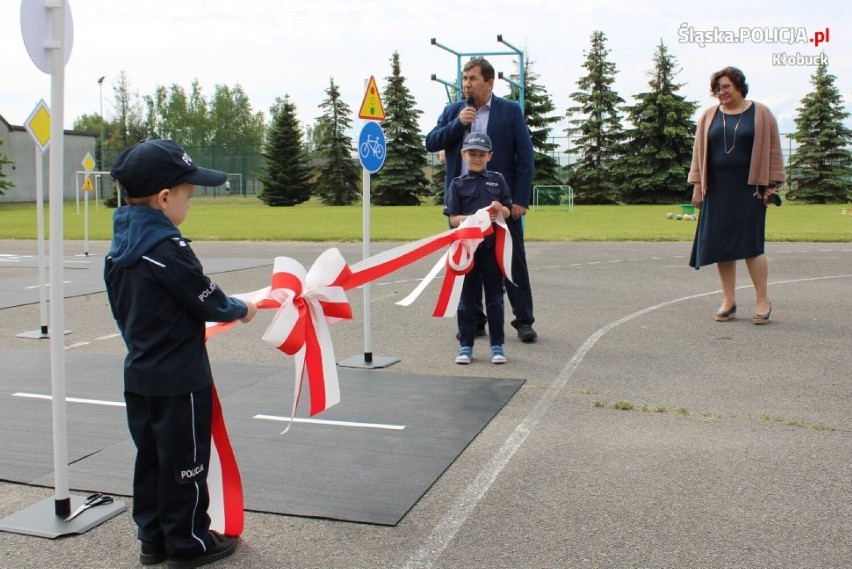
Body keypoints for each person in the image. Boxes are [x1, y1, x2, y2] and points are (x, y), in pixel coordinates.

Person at [104, 139, 257, 568]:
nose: (190, 204)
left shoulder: (120, 248)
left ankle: (153, 538)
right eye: (188, 195)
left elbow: (121, 311)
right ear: (165, 197)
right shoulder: (167, 249)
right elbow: (206, 297)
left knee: (151, 458)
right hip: (180, 379)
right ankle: (188, 542)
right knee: (186, 462)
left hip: (140, 371)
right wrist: (242, 309)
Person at [426, 57, 538, 342]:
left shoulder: (510, 112)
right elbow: (431, 142)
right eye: (464, 78)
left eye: (473, 78)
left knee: (512, 262)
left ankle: (523, 319)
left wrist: (520, 200)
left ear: (489, 83)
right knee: (467, 263)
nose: (467, 83)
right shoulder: (454, 111)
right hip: (464, 205)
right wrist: (456, 124)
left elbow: (525, 158)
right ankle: (474, 321)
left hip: (500, 204)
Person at [688, 66, 785, 324]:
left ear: (739, 86)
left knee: (752, 247)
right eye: (718, 88)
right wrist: (697, 186)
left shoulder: (761, 113)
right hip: (717, 190)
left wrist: (771, 186)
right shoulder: (708, 116)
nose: (722, 92)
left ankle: (763, 300)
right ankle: (729, 301)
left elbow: (774, 151)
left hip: (749, 190)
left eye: (726, 86)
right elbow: (698, 154)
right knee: (722, 248)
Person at [445, 132, 513, 364]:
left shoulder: (498, 180)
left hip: (492, 249)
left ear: (490, 156)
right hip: (467, 250)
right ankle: (465, 346)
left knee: (495, 298)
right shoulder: (457, 184)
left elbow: (507, 211)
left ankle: (497, 346)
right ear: (463, 155)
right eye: (472, 153)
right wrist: (473, 219)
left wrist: (498, 209)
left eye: (481, 154)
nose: (477, 158)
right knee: (467, 300)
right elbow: (453, 219)